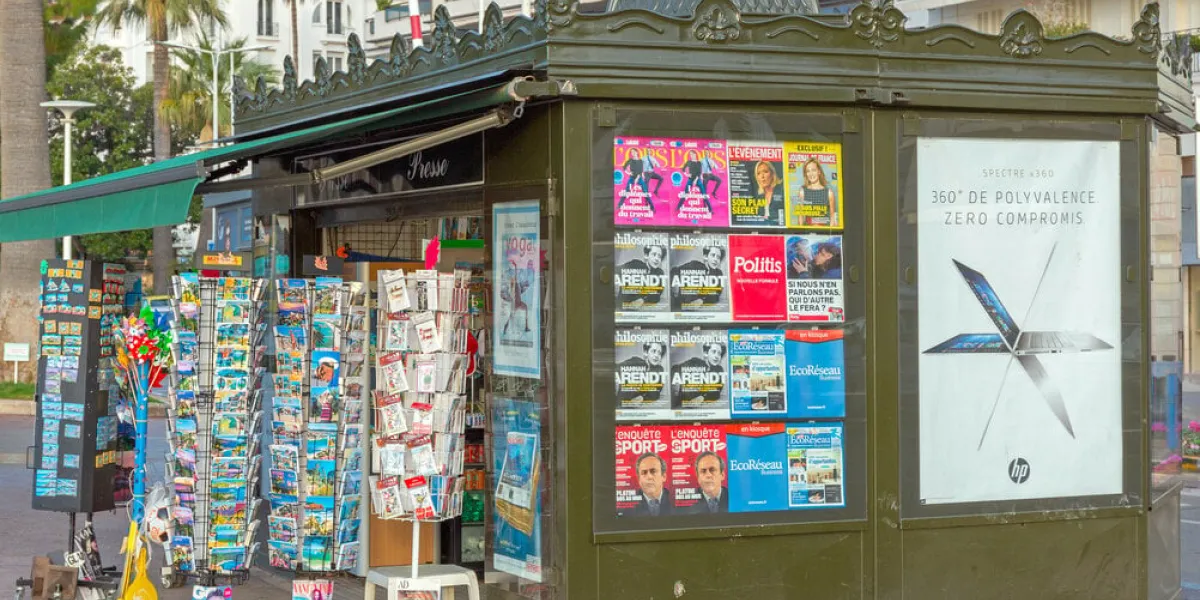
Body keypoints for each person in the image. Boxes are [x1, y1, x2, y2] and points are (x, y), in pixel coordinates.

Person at [669, 244, 726, 309]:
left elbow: (716, 296)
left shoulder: (718, 273)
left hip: (700, 309)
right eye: (713, 255)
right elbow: (674, 271)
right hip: (680, 306)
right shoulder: (694, 264)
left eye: (718, 257)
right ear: (705, 256)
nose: (716, 259)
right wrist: (675, 289)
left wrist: (702, 300)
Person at [616, 243, 667, 308]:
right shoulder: (635, 264)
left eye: (659, 256)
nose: (657, 259)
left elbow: (657, 295)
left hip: (640, 309)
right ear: (646, 255)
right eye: (654, 254)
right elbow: (617, 269)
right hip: (621, 306)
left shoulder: (660, 273)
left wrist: (643, 300)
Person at [616, 339, 666, 404]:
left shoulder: (660, 370)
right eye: (654, 351)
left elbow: (656, 393)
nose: (656, 355)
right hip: (620, 403)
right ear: (646, 353)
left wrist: (643, 398)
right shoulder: (635, 361)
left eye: (659, 353)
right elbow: (616, 368)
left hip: (636, 406)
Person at [795, 157, 838, 227]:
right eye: (808, 171)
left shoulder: (829, 193)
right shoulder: (802, 192)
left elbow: (833, 218)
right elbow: (800, 218)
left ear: (819, 171)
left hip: (824, 233)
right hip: (807, 233)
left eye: (813, 170)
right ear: (806, 174)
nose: (811, 174)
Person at [632, 452, 673, 516]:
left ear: (664, 476)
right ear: (639, 479)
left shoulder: (675, 501)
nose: (649, 477)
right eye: (644, 472)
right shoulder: (628, 507)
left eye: (653, 471)